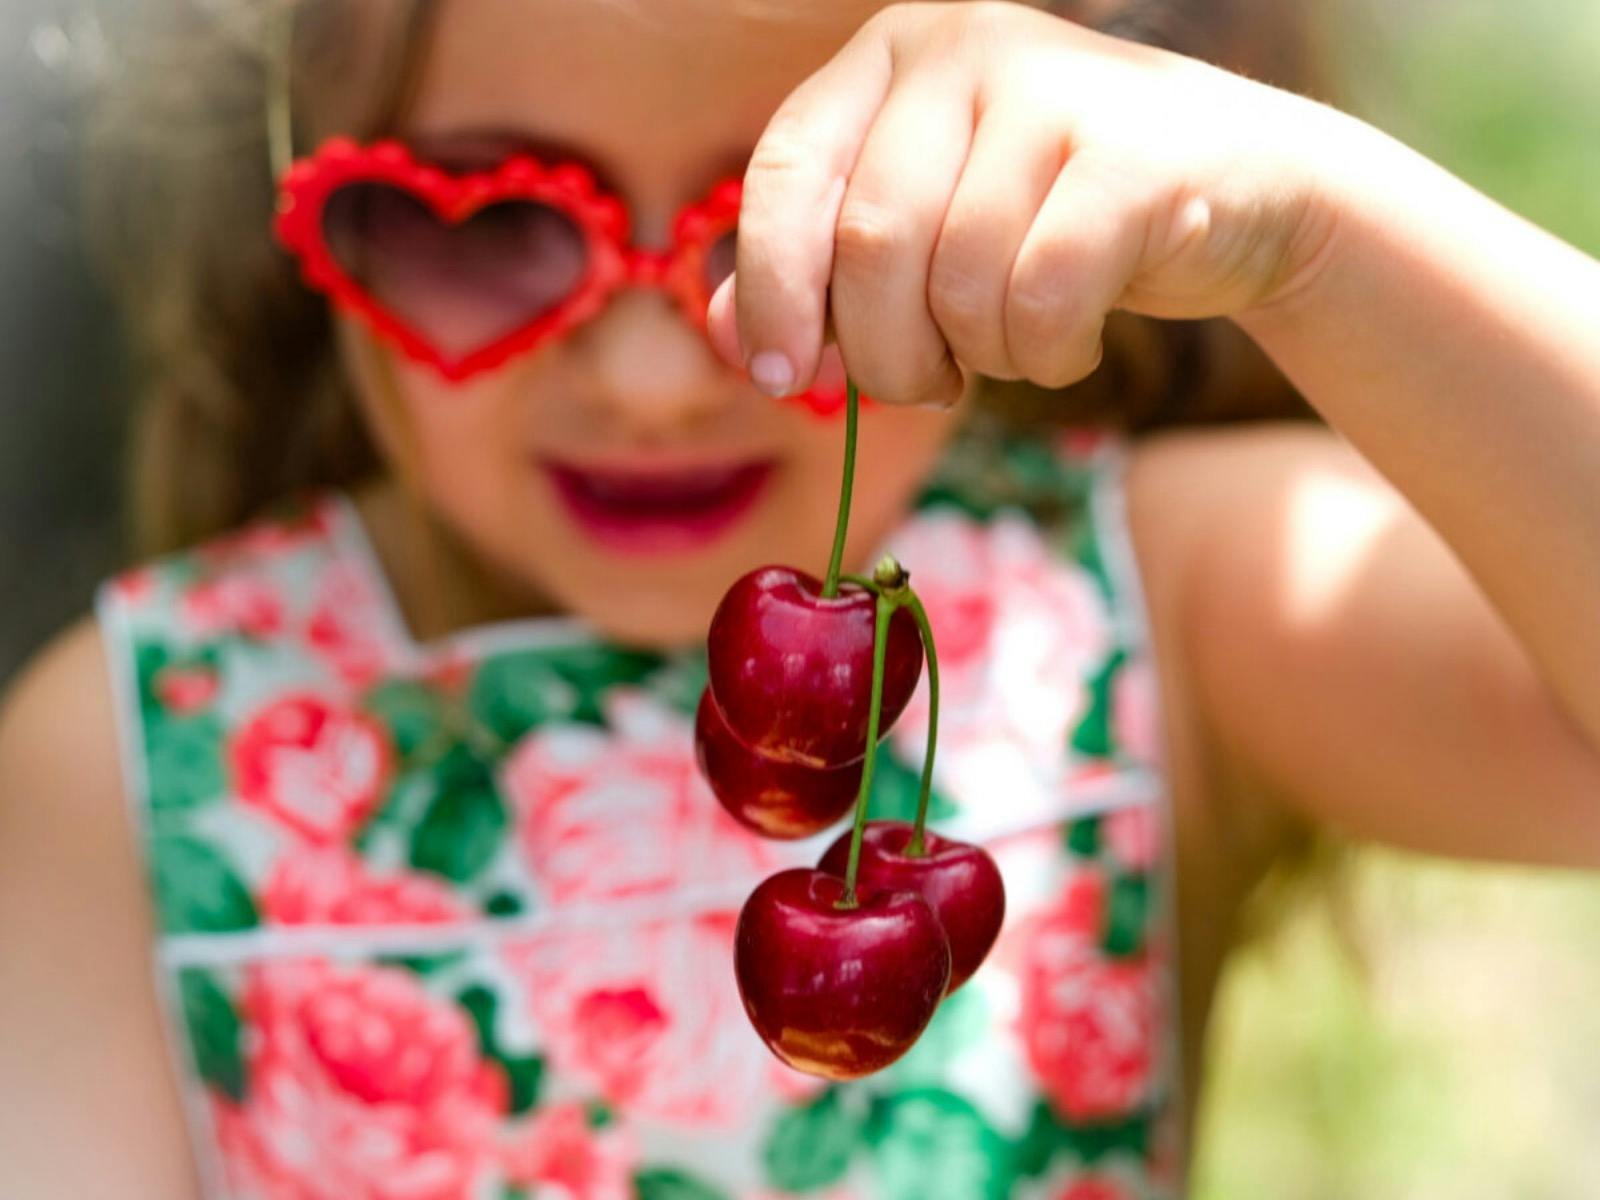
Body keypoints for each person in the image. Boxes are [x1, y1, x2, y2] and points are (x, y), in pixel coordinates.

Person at [3, 0, 1600, 1195]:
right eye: (483, 232)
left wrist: (1316, 229)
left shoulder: (1146, 601)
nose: (643, 382)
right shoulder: (136, 753)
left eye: (811, 242)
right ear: (311, 206)